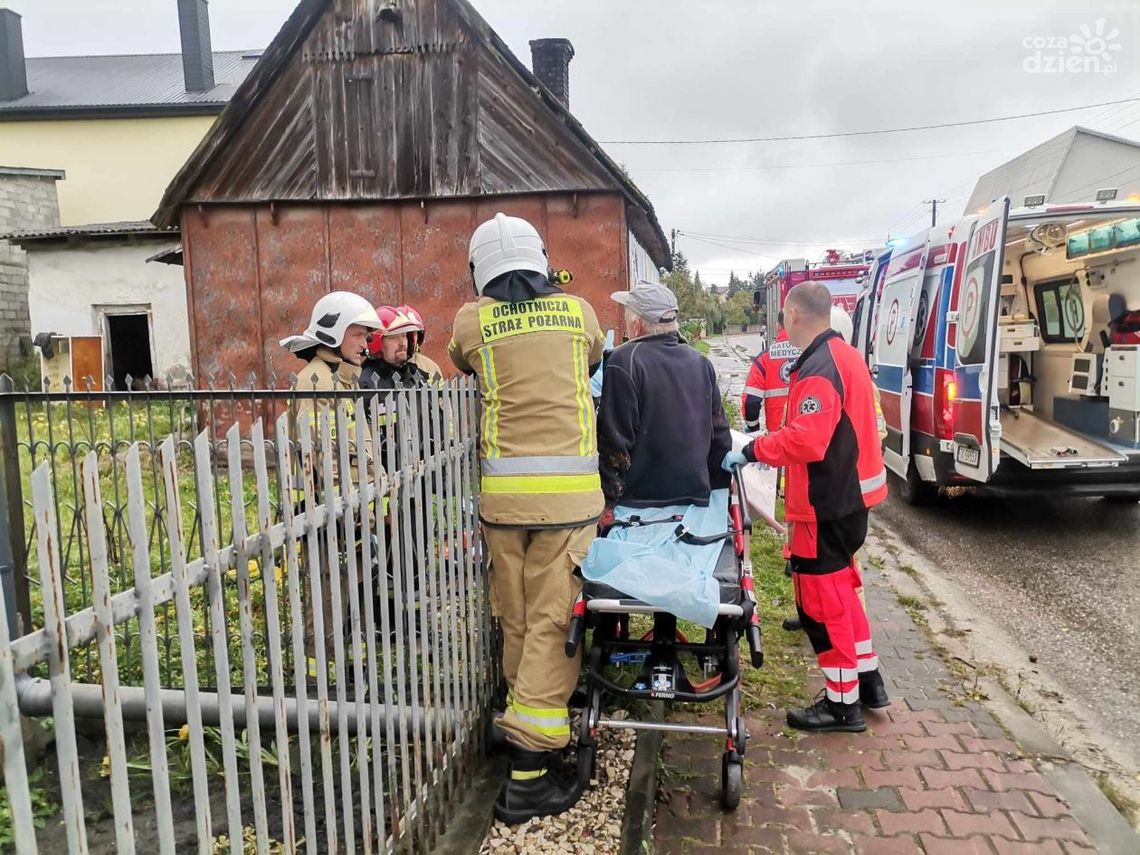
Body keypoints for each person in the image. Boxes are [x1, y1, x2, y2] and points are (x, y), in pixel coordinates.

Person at [449, 213, 606, 823]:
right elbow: (592, 359)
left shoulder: (473, 321)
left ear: (479, 269)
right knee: (551, 622)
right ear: (541, 261)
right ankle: (528, 774)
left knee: (514, 619)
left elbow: (464, 360)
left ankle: (518, 719)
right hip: (568, 507)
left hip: (503, 506)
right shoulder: (578, 313)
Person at [722, 281, 890, 733]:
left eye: (783, 317)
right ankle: (867, 680)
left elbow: (807, 439)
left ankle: (841, 704)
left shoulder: (818, 367)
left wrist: (754, 449)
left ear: (793, 315)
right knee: (844, 590)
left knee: (820, 603)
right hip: (849, 499)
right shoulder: (845, 356)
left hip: (826, 502)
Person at [280, 291, 383, 678]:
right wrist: (349, 507)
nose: (366, 343)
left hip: (349, 506)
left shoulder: (342, 379)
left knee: (343, 585)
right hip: (323, 506)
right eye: (358, 335)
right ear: (334, 333)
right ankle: (317, 669)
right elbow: (320, 453)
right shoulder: (316, 380)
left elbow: (358, 446)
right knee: (323, 588)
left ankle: (335, 655)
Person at [597, 280, 732, 510]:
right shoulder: (701, 363)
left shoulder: (624, 361)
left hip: (639, 507)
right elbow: (719, 434)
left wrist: (607, 504)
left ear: (637, 325)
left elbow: (614, 443)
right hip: (695, 503)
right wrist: (719, 494)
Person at [741, 311, 799, 434]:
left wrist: (753, 428)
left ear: (778, 325)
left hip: (776, 440)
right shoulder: (813, 354)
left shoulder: (764, 358)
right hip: (807, 440)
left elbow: (751, 402)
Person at [399, 304, 444, 381]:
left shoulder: (431, 368)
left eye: (412, 334)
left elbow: (440, 392)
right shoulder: (379, 368)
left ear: (419, 336)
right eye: (403, 334)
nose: (407, 339)